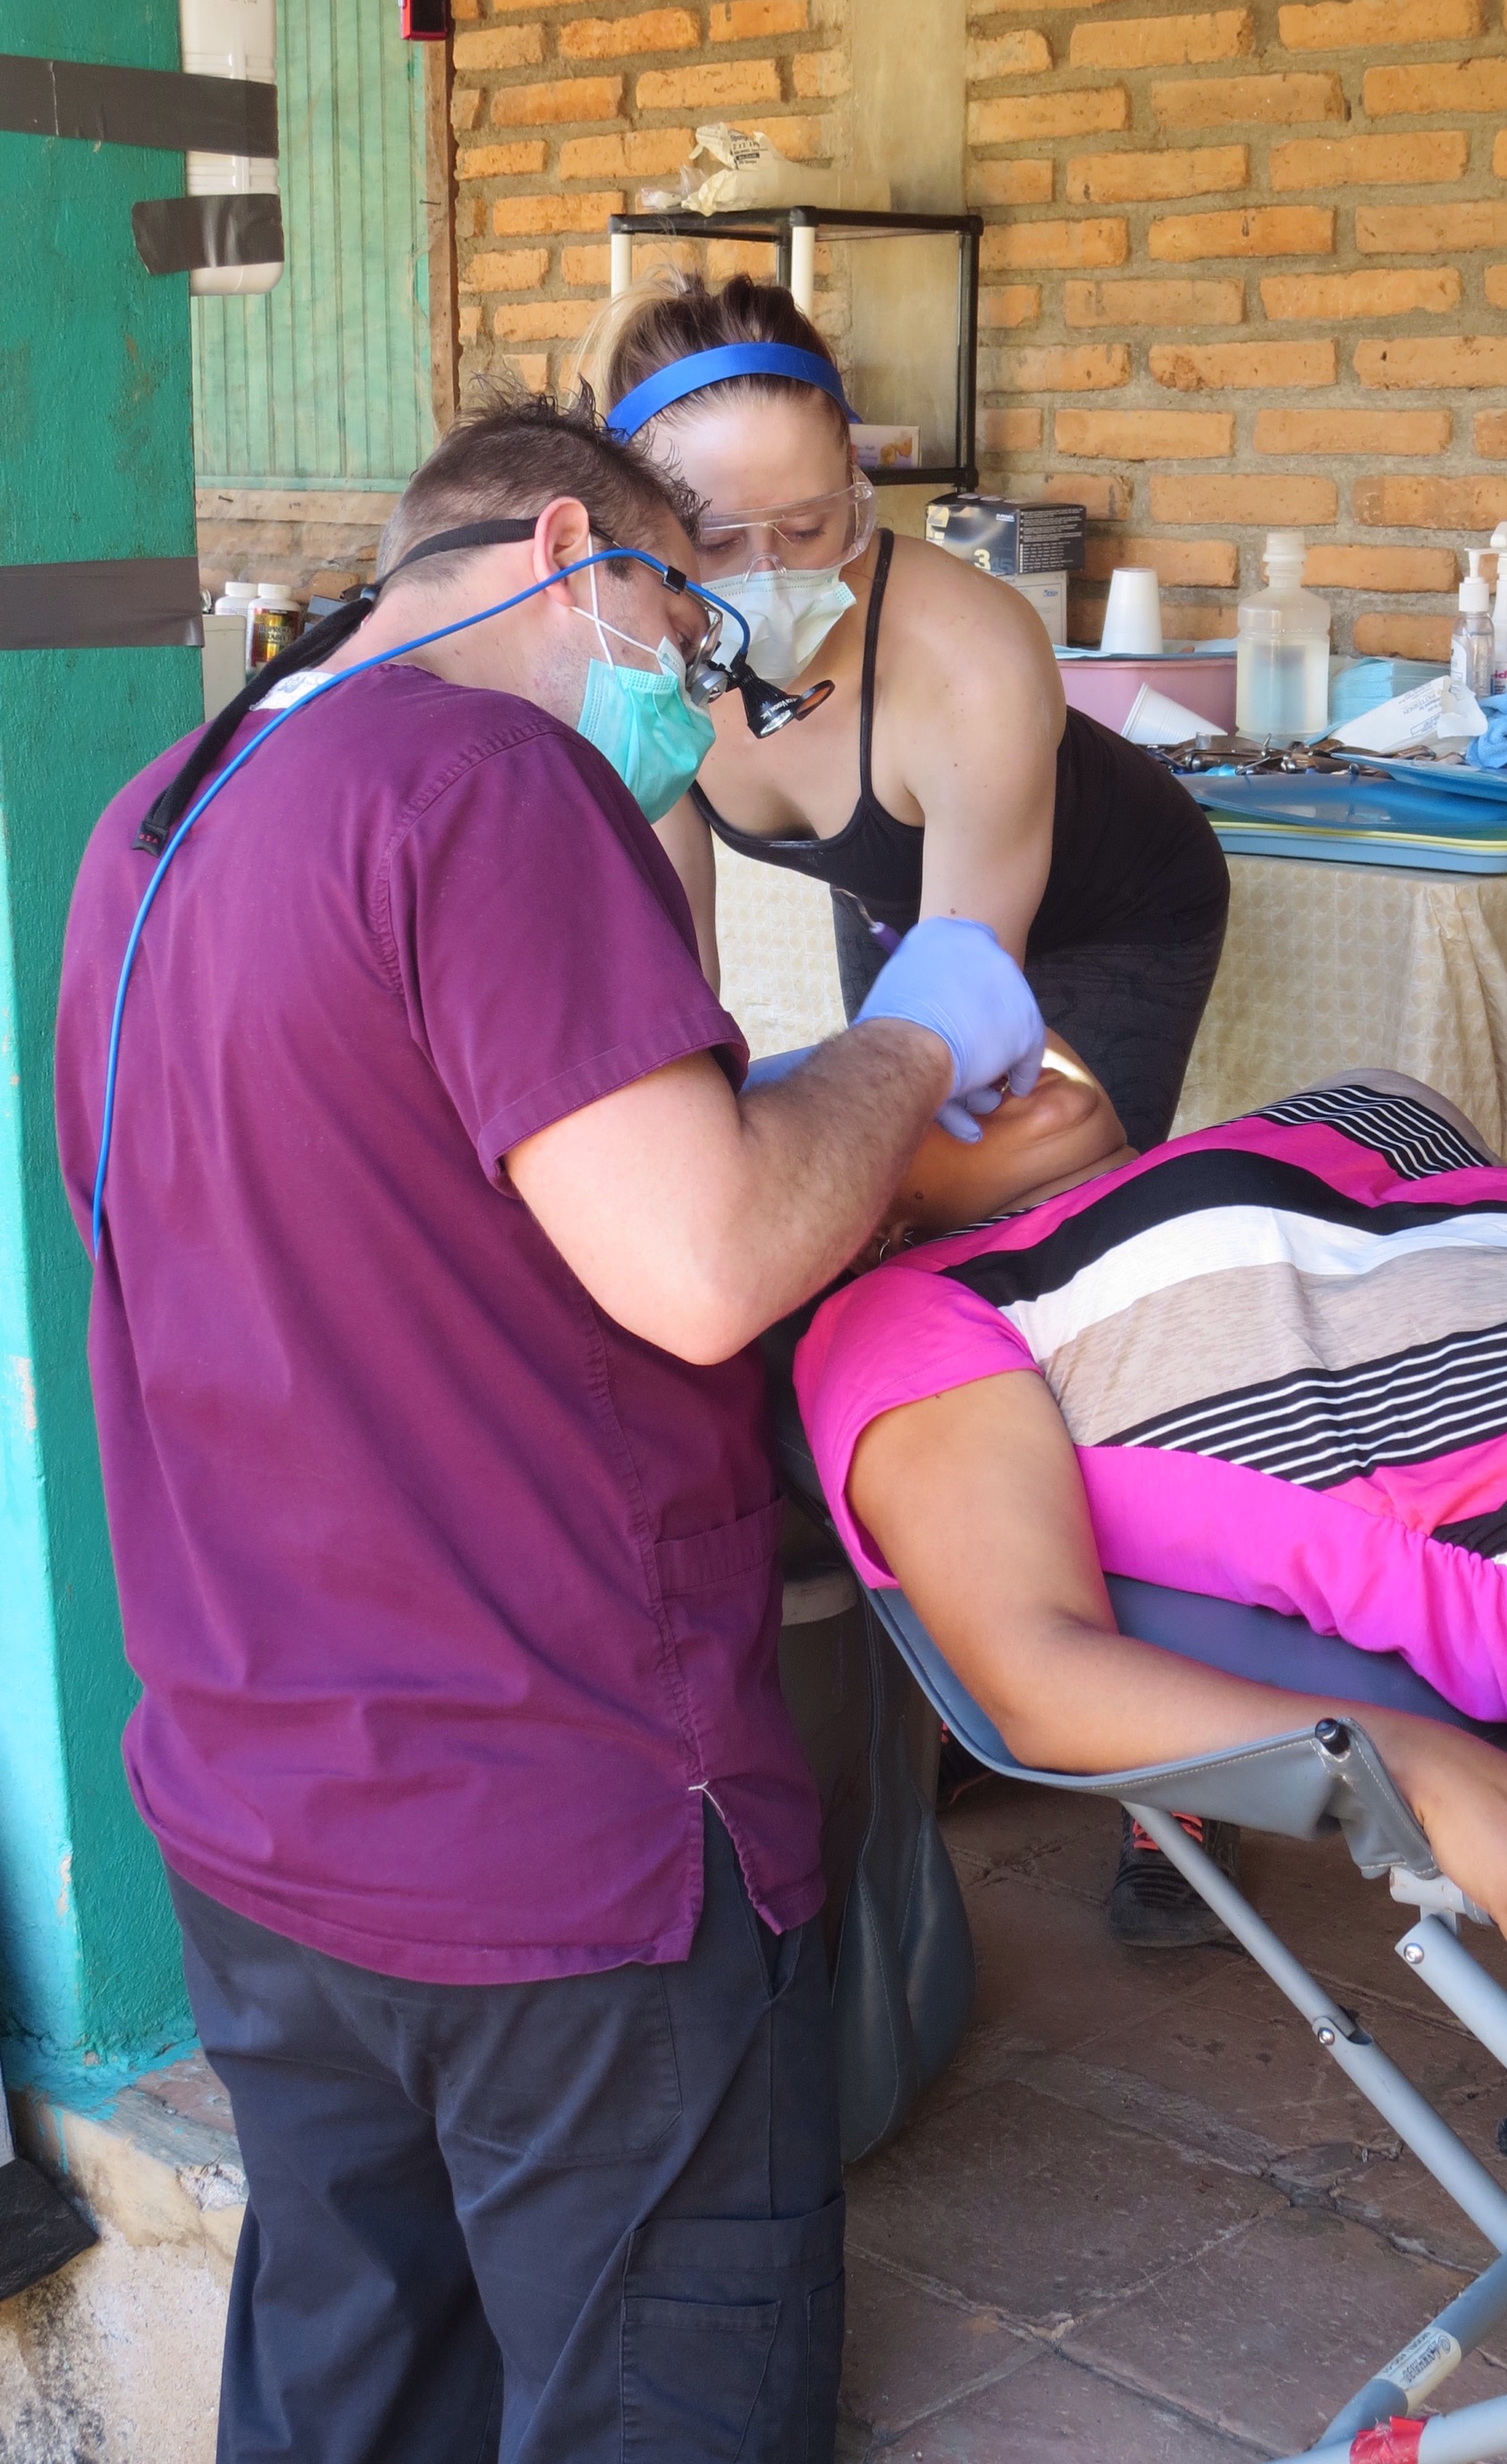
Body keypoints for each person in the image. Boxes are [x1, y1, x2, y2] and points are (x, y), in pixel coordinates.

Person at [54, 391, 1048, 2464]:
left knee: (356, 2389)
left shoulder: (159, 816)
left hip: (261, 1816)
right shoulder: (488, 775)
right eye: (684, 635)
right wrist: (906, 1043)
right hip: (561, 1844)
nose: (687, 705)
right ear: (566, 562)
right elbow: (702, 1259)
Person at [595, 273, 1235, 1936]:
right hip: (903, 913)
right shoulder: (642, 658)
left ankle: (1178, 1770)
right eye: (718, 540)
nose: (771, 571)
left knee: (1030, 1275)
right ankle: (951, 1663)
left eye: (814, 526)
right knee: (829, 1250)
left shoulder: (966, 650)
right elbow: (673, 990)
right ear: (643, 536)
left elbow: (969, 1022)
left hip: (1090, 927)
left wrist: (825, 1196)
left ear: (864, 486)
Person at [791, 1064, 1507, 1939]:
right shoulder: (911, 1306)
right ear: (873, 1221)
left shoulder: (1348, 1106)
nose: (987, 1061)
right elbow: (1036, 1674)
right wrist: (1419, 1765)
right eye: (920, 1076)